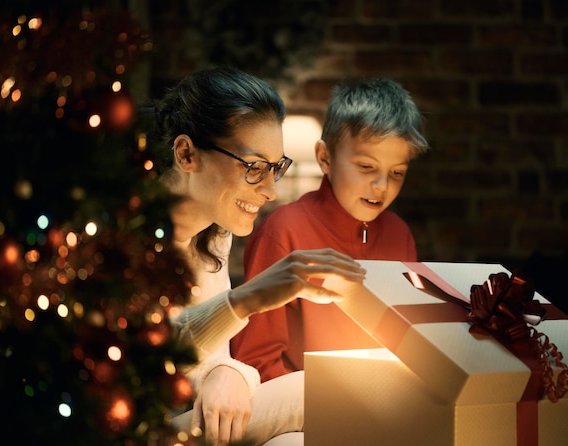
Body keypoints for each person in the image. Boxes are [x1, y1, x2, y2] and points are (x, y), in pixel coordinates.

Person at [149, 66, 367, 446]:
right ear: (186, 154)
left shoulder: (214, 235)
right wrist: (246, 300)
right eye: (253, 168)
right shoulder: (123, 238)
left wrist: (229, 373)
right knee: (334, 394)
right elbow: (150, 361)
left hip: (194, 419)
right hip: (138, 430)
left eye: (276, 168)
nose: (269, 190)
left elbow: (207, 360)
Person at [231, 77, 430, 383]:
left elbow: (413, 345)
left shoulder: (399, 235)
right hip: (298, 413)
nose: (381, 186)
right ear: (325, 158)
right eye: (366, 167)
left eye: (397, 173)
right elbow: (255, 358)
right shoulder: (284, 231)